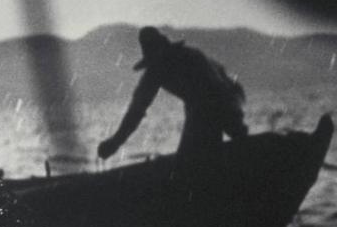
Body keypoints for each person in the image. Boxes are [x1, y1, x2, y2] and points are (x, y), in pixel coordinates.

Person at [97, 26, 249, 160]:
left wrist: (115, 142)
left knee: (192, 158)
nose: (156, 64)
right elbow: (137, 109)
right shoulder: (163, 67)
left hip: (220, 101)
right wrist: (115, 142)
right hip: (213, 104)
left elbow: (220, 95)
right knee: (195, 150)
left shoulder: (184, 60)